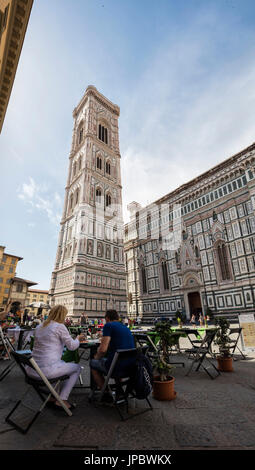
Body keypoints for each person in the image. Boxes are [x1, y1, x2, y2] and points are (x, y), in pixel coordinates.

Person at [26, 305, 85, 410]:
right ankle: (62, 400)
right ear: (62, 315)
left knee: (60, 365)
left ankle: (53, 396)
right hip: (46, 371)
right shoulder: (59, 326)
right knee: (77, 368)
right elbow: (72, 347)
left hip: (32, 370)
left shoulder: (40, 326)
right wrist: (78, 339)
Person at [90, 309, 135, 401]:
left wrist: (96, 357)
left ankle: (106, 393)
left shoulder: (108, 325)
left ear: (107, 318)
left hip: (116, 367)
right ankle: (119, 390)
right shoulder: (125, 327)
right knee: (115, 359)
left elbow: (102, 350)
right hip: (130, 367)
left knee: (93, 364)